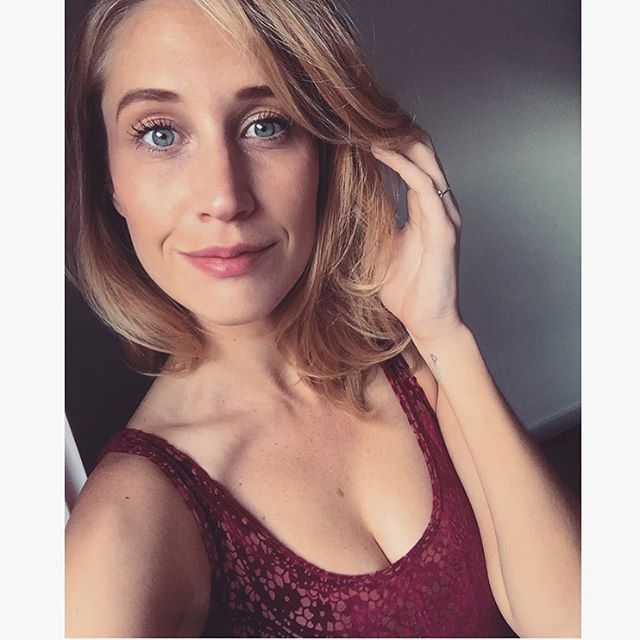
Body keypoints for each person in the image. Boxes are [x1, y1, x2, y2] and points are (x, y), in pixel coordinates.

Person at [64, 0, 581, 636]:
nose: (224, 197)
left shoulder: (405, 360)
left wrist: (443, 333)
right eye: (160, 135)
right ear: (109, 176)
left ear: (323, 148)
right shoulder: (126, 523)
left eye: (266, 124)